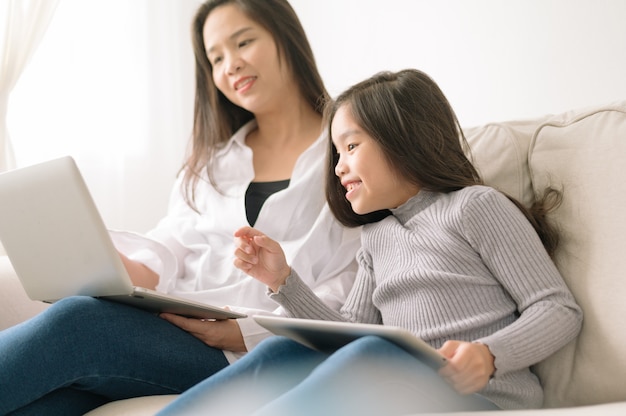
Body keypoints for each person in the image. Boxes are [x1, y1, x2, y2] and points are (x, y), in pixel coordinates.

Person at [0, 1, 361, 415]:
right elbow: (170, 248)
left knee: (79, 323)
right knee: (51, 402)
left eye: (243, 42)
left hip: (258, 352)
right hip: (180, 332)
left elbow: (351, 286)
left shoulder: (347, 154)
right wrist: (111, 265)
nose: (231, 65)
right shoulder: (211, 163)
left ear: (287, 38)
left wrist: (246, 332)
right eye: (216, 57)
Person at [155, 69, 583, 416]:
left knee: (372, 354)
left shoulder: (474, 207)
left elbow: (557, 308)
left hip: (483, 400)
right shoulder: (376, 236)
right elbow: (347, 336)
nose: (338, 167)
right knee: (286, 350)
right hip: (405, 391)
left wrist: (490, 355)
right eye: (336, 153)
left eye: (351, 146)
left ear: (403, 138)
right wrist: (283, 280)